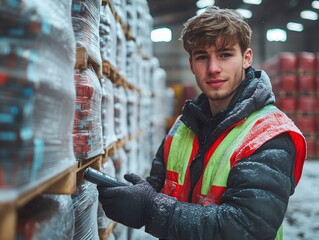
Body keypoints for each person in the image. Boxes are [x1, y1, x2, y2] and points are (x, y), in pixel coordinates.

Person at [97, 6, 306, 240]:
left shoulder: (269, 134)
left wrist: (150, 209)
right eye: (202, 57)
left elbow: (247, 228)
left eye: (225, 54)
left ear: (246, 58)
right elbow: (161, 187)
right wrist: (135, 197)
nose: (213, 68)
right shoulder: (182, 127)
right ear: (191, 64)